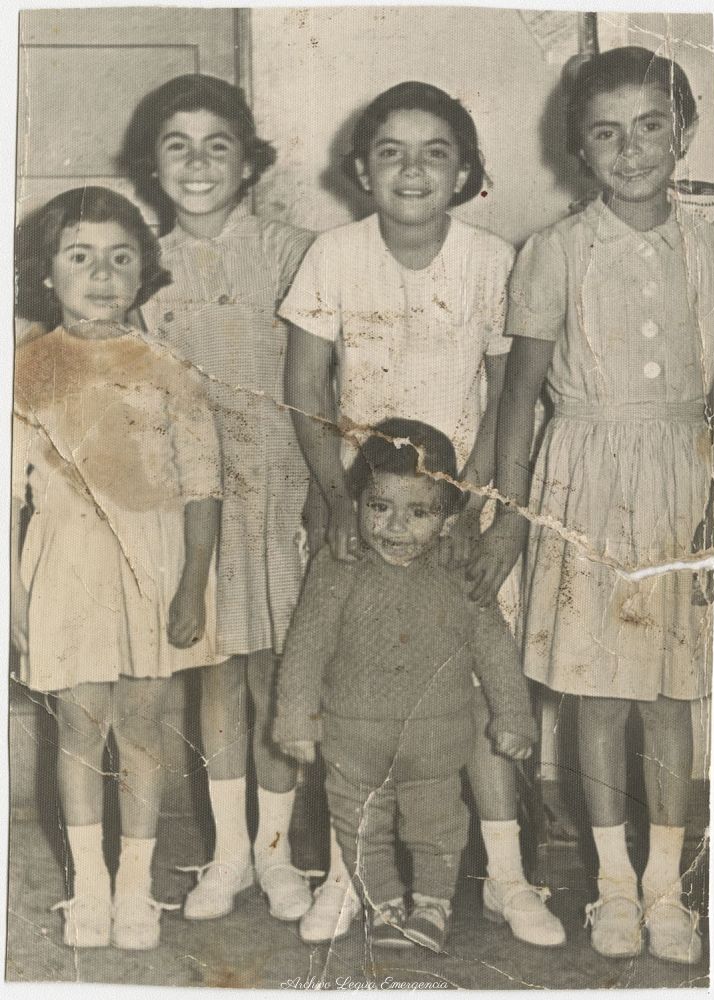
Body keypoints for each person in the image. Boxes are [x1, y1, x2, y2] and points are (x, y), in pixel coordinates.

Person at [280, 81, 564, 947]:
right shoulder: (333, 254)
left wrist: (481, 506)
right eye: (391, 152)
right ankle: (347, 879)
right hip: (364, 512)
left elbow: (508, 396)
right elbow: (305, 387)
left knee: (473, 690)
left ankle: (506, 878)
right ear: (361, 168)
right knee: (351, 686)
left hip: (457, 512)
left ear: (466, 170)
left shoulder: (489, 260)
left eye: (435, 152)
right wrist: (338, 499)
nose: (412, 170)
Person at [469, 47, 714, 965]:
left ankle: (665, 889)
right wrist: (508, 515)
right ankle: (613, 885)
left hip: (682, 479)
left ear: (682, 133)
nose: (631, 150)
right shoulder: (555, 251)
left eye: (650, 126)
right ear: (577, 148)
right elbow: (517, 400)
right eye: (606, 134)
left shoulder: (713, 246)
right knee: (600, 693)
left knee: (671, 692)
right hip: (585, 482)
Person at [119, 74, 315, 923]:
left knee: (278, 677)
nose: (197, 163)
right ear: (152, 164)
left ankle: (277, 855)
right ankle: (230, 855)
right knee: (216, 677)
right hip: (192, 505)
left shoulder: (292, 252)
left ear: (248, 162)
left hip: (280, 490)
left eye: (217, 145)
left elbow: (325, 378)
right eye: (178, 145)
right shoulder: (141, 264)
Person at [11, 187, 222, 950]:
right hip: (65, 565)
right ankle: (90, 890)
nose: (101, 274)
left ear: (143, 272)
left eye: (120, 257)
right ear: (47, 273)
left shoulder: (171, 370)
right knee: (77, 726)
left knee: (140, 726)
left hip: (151, 566)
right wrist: (12, 597)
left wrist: (192, 583)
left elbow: (203, 487)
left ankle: (135, 887)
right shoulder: (26, 369)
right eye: (80, 257)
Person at [273, 420, 538, 954]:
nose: (396, 527)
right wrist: (296, 718)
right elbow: (306, 646)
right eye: (380, 507)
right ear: (357, 503)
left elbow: (494, 647)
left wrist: (513, 716)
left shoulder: (458, 569)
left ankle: (434, 904)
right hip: (353, 739)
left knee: (438, 825)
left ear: (448, 517)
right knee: (359, 824)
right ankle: (383, 903)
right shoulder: (338, 565)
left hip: (436, 740)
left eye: (419, 513)